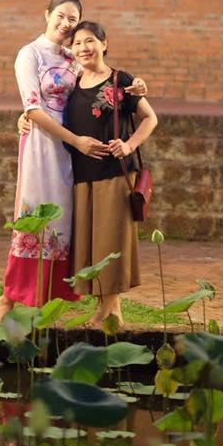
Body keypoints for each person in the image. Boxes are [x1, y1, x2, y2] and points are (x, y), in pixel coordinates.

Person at [0, 0, 146, 323]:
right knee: (33, 219)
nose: (65, 23)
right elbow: (33, 106)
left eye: (72, 19)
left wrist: (137, 85)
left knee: (66, 226)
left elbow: (100, 83)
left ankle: (80, 301)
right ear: (46, 14)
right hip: (44, 148)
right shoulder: (29, 54)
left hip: (75, 155)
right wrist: (28, 117)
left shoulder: (73, 56)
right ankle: (9, 296)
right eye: (60, 15)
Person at [66, 20, 158, 326]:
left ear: (104, 44)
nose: (83, 48)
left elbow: (150, 118)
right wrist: (23, 118)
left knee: (111, 243)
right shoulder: (71, 82)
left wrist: (129, 145)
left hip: (114, 175)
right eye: (77, 43)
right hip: (82, 176)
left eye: (90, 41)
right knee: (91, 245)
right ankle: (106, 310)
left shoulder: (122, 80)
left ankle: (110, 310)